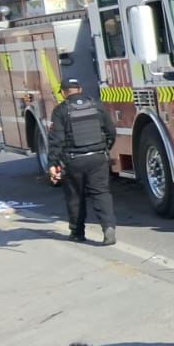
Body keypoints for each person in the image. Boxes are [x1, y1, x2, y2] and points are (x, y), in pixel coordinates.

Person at [48, 77, 116, 246]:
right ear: (80, 89)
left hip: (74, 161)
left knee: (75, 196)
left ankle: (77, 233)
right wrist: (104, 149)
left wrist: (53, 163)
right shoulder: (97, 105)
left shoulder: (60, 110)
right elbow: (111, 132)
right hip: (98, 158)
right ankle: (108, 229)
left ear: (63, 93)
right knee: (101, 193)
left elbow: (56, 139)